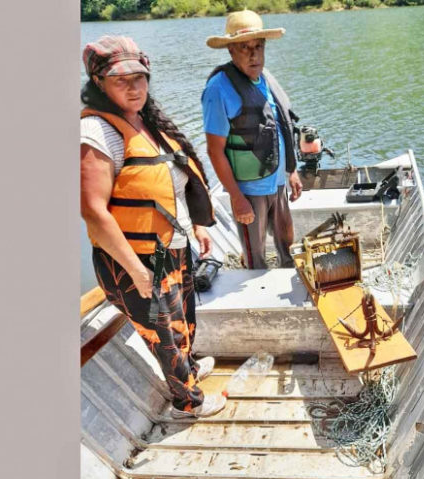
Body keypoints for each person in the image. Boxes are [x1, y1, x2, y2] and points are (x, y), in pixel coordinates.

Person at [80, 35, 226, 418]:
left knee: (183, 320)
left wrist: (197, 226)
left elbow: (171, 182)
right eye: (121, 80)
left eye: (139, 78)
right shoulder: (96, 132)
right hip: (136, 259)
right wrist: (135, 270)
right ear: (98, 83)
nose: (134, 88)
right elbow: (93, 211)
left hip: (169, 248)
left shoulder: (145, 122)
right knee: (164, 335)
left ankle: (189, 371)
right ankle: (188, 403)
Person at [202, 9, 304, 269]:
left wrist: (291, 171)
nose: (253, 54)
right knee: (255, 260)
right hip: (249, 192)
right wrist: (237, 198)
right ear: (231, 51)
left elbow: (280, 126)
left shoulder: (266, 78)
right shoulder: (218, 89)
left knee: (287, 247)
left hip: (277, 183)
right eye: (244, 47)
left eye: (258, 46)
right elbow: (214, 151)